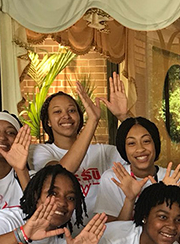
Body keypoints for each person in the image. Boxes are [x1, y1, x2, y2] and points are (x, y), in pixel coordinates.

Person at [30, 76, 129, 215]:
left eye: (71, 110)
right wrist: (93, 121)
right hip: (62, 234)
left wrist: (124, 117)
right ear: (48, 122)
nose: (66, 116)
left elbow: (141, 151)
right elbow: (59, 174)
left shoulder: (102, 152)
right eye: (57, 112)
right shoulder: (40, 151)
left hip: (104, 233)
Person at [94, 116, 180, 221]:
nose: (140, 149)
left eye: (146, 141)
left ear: (155, 144)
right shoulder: (112, 178)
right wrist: (130, 199)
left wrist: (165, 193)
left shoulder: (173, 179)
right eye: (132, 143)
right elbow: (111, 231)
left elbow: (176, 227)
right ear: (123, 149)